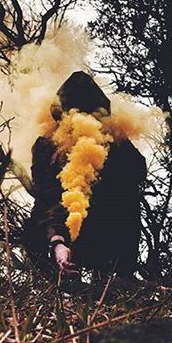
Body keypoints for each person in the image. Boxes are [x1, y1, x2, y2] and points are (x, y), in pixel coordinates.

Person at [23, 71, 147, 279]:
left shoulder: (115, 140)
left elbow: (136, 174)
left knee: (125, 198)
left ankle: (118, 277)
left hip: (109, 228)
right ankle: (58, 278)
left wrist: (110, 154)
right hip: (63, 229)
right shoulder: (47, 145)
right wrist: (58, 242)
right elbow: (48, 196)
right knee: (33, 228)